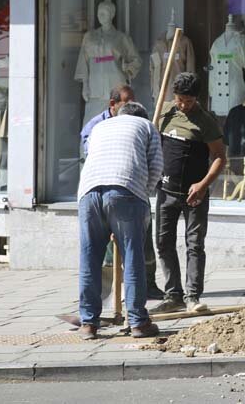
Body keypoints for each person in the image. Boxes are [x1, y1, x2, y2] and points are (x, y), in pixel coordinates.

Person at [76, 101, 163, 340]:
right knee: (132, 257)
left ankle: (88, 324)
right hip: (126, 190)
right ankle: (137, 322)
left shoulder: (100, 127)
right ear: (142, 115)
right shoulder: (147, 126)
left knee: (89, 257)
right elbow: (155, 167)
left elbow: (90, 156)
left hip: (88, 192)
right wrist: (140, 197)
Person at [152, 73, 226, 314]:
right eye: (180, 100)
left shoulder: (205, 121)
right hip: (165, 191)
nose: (184, 105)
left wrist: (203, 185)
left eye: (189, 101)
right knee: (163, 243)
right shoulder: (164, 112)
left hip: (195, 195)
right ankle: (173, 295)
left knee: (194, 244)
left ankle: (192, 296)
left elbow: (219, 157)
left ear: (197, 98)